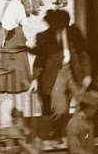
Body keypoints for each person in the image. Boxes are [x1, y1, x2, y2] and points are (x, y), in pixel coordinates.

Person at [32, 9, 90, 139]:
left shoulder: (74, 33)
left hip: (74, 72)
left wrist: (87, 74)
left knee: (81, 102)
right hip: (56, 74)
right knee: (59, 108)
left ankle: (73, 133)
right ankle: (60, 133)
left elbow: (83, 54)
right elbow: (39, 59)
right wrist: (35, 78)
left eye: (60, 25)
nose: (57, 28)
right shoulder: (44, 36)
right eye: (55, 25)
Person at [0, 0, 39, 125]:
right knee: (12, 56)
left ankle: (11, 84)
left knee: (10, 57)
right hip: (13, 32)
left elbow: (8, 24)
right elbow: (15, 21)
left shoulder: (11, 5)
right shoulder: (12, 4)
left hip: (11, 33)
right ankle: (14, 83)